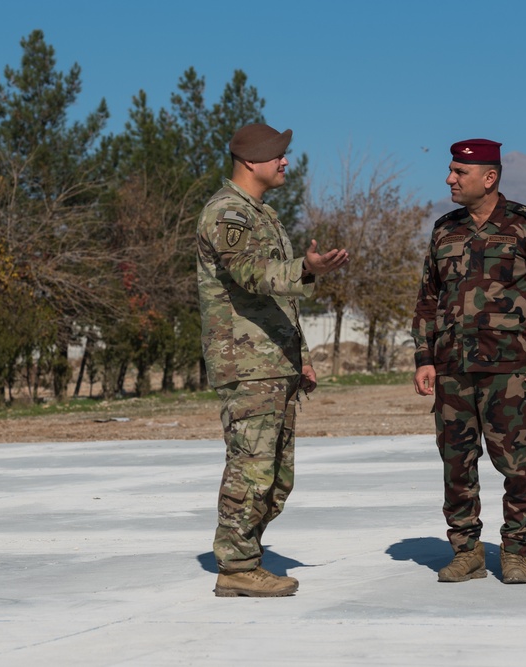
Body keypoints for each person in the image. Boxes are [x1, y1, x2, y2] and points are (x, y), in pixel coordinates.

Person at [197, 123, 349, 597]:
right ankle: (236, 565)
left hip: (272, 362)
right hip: (247, 366)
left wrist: (298, 356)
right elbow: (251, 274)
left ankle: (248, 557)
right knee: (252, 467)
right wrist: (307, 269)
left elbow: (278, 302)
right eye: (279, 156)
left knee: (277, 475)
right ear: (251, 161)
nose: (286, 162)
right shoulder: (227, 214)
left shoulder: (261, 213)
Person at [411, 139, 526, 585]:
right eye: (451, 171)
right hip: (452, 370)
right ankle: (467, 551)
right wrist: (424, 357)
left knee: (517, 464)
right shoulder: (444, 229)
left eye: (459, 172)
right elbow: (428, 299)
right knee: (457, 463)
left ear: (489, 178)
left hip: (510, 371)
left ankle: (515, 550)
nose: (449, 179)